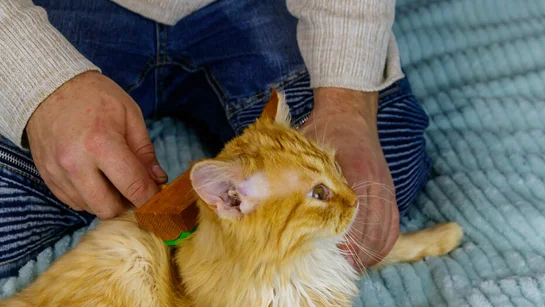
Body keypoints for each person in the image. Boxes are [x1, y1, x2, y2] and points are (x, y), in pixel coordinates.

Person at [0, 0, 431, 277]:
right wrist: (41, 85)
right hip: (45, 13)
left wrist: (345, 106)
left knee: (375, 178)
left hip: (258, 7)